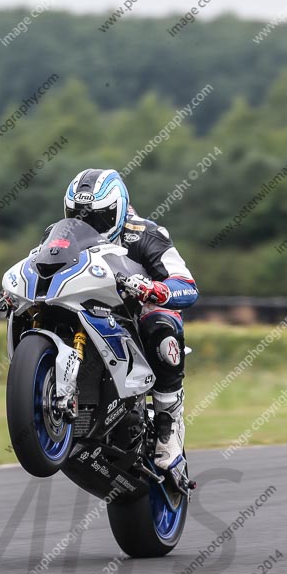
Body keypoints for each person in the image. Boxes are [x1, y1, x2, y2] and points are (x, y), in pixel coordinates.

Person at [63, 168, 198, 473]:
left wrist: (155, 289)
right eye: (78, 215)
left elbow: (187, 285)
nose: (87, 224)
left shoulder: (148, 235)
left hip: (131, 323)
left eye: (96, 217)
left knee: (161, 323)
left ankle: (169, 421)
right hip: (83, 314)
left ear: (117, 209)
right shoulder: (61, 235)